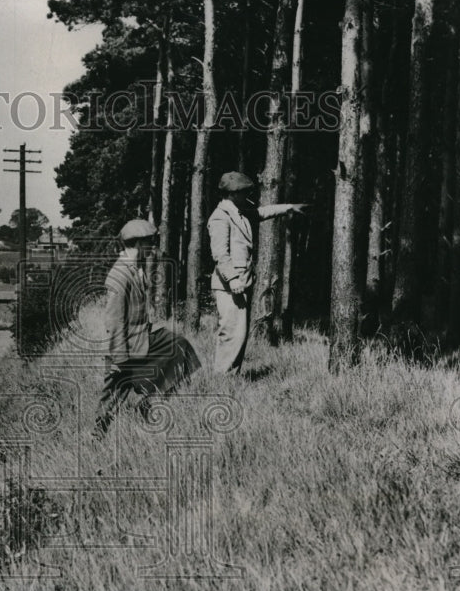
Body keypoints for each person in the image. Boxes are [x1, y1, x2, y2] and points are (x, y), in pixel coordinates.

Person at [93, 219, 200, 439]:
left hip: (141, 337)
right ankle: (97, 434)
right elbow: (113, 321)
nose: (153, 246)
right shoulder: (119, 275)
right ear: (139, 243)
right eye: (150, 242)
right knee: (113, 394)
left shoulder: (136, 267)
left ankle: (148, 402)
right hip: (125, 345)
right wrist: (119, 359)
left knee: (180, 346)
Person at [208, 171, 307, 374]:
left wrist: (288, 208)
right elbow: (220, 254)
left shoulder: (239, 211)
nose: (247, 196)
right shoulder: (220, 217)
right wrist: (233, 278)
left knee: (240, 332)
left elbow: (262, 212)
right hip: (229, 285)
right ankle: (221, 379)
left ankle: (230, 375)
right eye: (244, 192)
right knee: (231, 332)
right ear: (232, 194)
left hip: (241, 283)